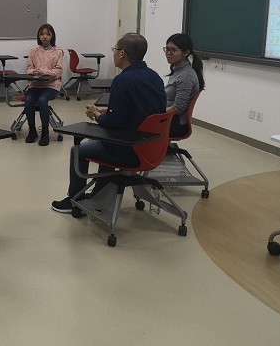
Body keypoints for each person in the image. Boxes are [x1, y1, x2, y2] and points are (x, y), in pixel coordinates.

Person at [52, 33, 166, 213]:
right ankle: (99, 194)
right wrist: (107, 113)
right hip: (154, 148)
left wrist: (96, 115)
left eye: (114, 49)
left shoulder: (122, 80)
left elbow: (114, 122)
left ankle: (75, 200)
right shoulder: (154, 76)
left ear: (122, 54)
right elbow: (139, 111)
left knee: (79, 150)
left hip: (130, 150)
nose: (113, 53)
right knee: (104, 141)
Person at [24, 23, 63, 146]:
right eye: (42, 34)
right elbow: (28, 68)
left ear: (52, 36)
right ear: (39, 36)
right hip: (36, 84)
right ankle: (32, 130)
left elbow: (58, 71)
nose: (45, 36)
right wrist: (33, 71)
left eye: (47, 34)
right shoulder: (33, 51)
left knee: (42, 99)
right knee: (28, 99)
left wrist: (44, 72)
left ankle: (45, 132)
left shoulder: (58, 52)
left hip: (51, 85)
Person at [164, 33, 204, 138]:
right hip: (169, 118)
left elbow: (177, 108)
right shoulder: (178, 70)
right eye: (167, 49)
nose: (168, 53)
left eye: (173, 50)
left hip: (175, 123)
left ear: (186, 52)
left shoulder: (186, 76)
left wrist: (154, 112)